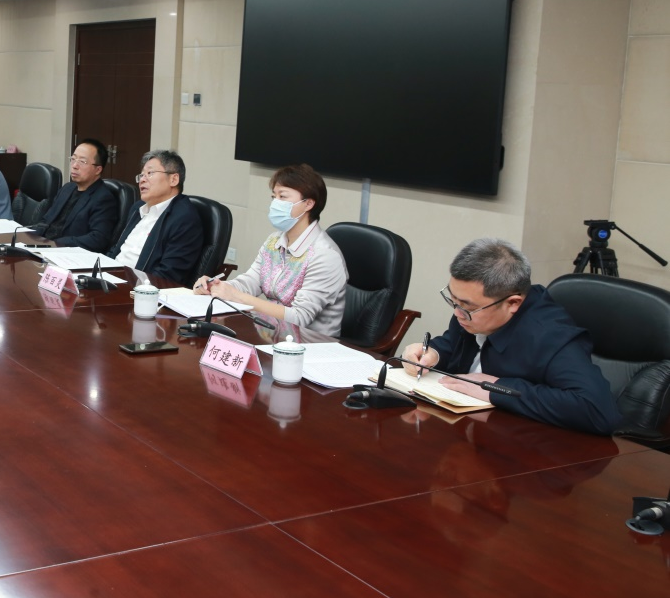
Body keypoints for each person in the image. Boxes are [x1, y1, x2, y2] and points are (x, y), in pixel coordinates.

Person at [402, 238, 623, 435]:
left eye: (467, 306)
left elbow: (598, 411)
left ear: (512, 303)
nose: (457, 313)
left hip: (530, 448)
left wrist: (498, 388)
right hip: (468, 430)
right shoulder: (472, 312)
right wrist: (433, 353)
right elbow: (455, 344)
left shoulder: (550, 335)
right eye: (453, 300)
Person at [194, 163, 347, 337]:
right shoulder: (274, 241)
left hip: (312, 344)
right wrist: (216, 286)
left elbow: (299, 317)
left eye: (283, 196)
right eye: (274, 197)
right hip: (271, 335)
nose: (275, 203)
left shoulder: (325, 255)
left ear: (308, 204)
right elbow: (251, 282)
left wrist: (236, 296)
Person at [106, 149, 204, 286]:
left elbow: (168, 275)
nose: (142, 180)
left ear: (174, 179)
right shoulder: (137, 208)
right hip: (111, 279)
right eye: (141, 175)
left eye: (150, 173)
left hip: (138, 289)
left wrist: (131, 287)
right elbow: (117, 249)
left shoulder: (185, 219)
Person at [32, 139, 119, 252]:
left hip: (65, 253)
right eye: (73, 159)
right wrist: (29, 238)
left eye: (82, 161)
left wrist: (56, 244)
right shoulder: (67, 188)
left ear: (98, 170)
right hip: (43, 247)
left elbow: (97, 239)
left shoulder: (103, 198)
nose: (74, 166)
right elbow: (46, 221)